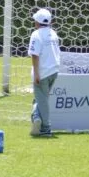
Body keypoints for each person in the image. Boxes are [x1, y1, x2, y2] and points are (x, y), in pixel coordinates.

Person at [29, 8, 60, 137]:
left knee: (42, 101)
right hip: (54, 71)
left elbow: (34, 55)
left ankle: (46, 128)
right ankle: (36, 117)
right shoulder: (53, 33)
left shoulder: (36, 34)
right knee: (41, 98)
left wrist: (36, 74)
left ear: (37, 22)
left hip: (42, 73)